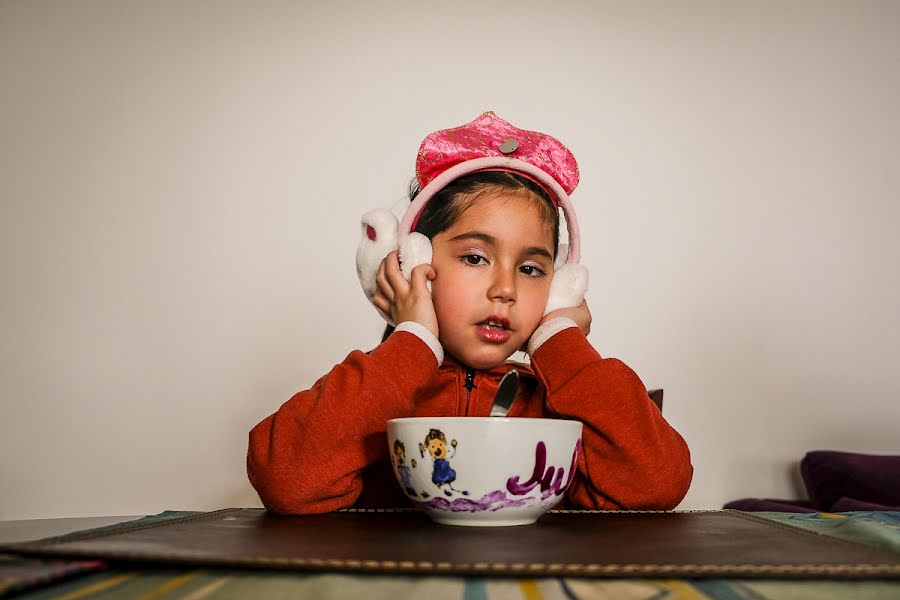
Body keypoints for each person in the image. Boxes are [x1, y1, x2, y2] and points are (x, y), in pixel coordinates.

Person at [247, 112, 692, 514]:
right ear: (412, 261)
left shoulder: (566, 406)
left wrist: (562, 342)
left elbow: (658, 485)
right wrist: (412, 339)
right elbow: (285, 480)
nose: (505, 289)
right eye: (475, 258)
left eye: (532, 269)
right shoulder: (372, 392)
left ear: (558, 288)